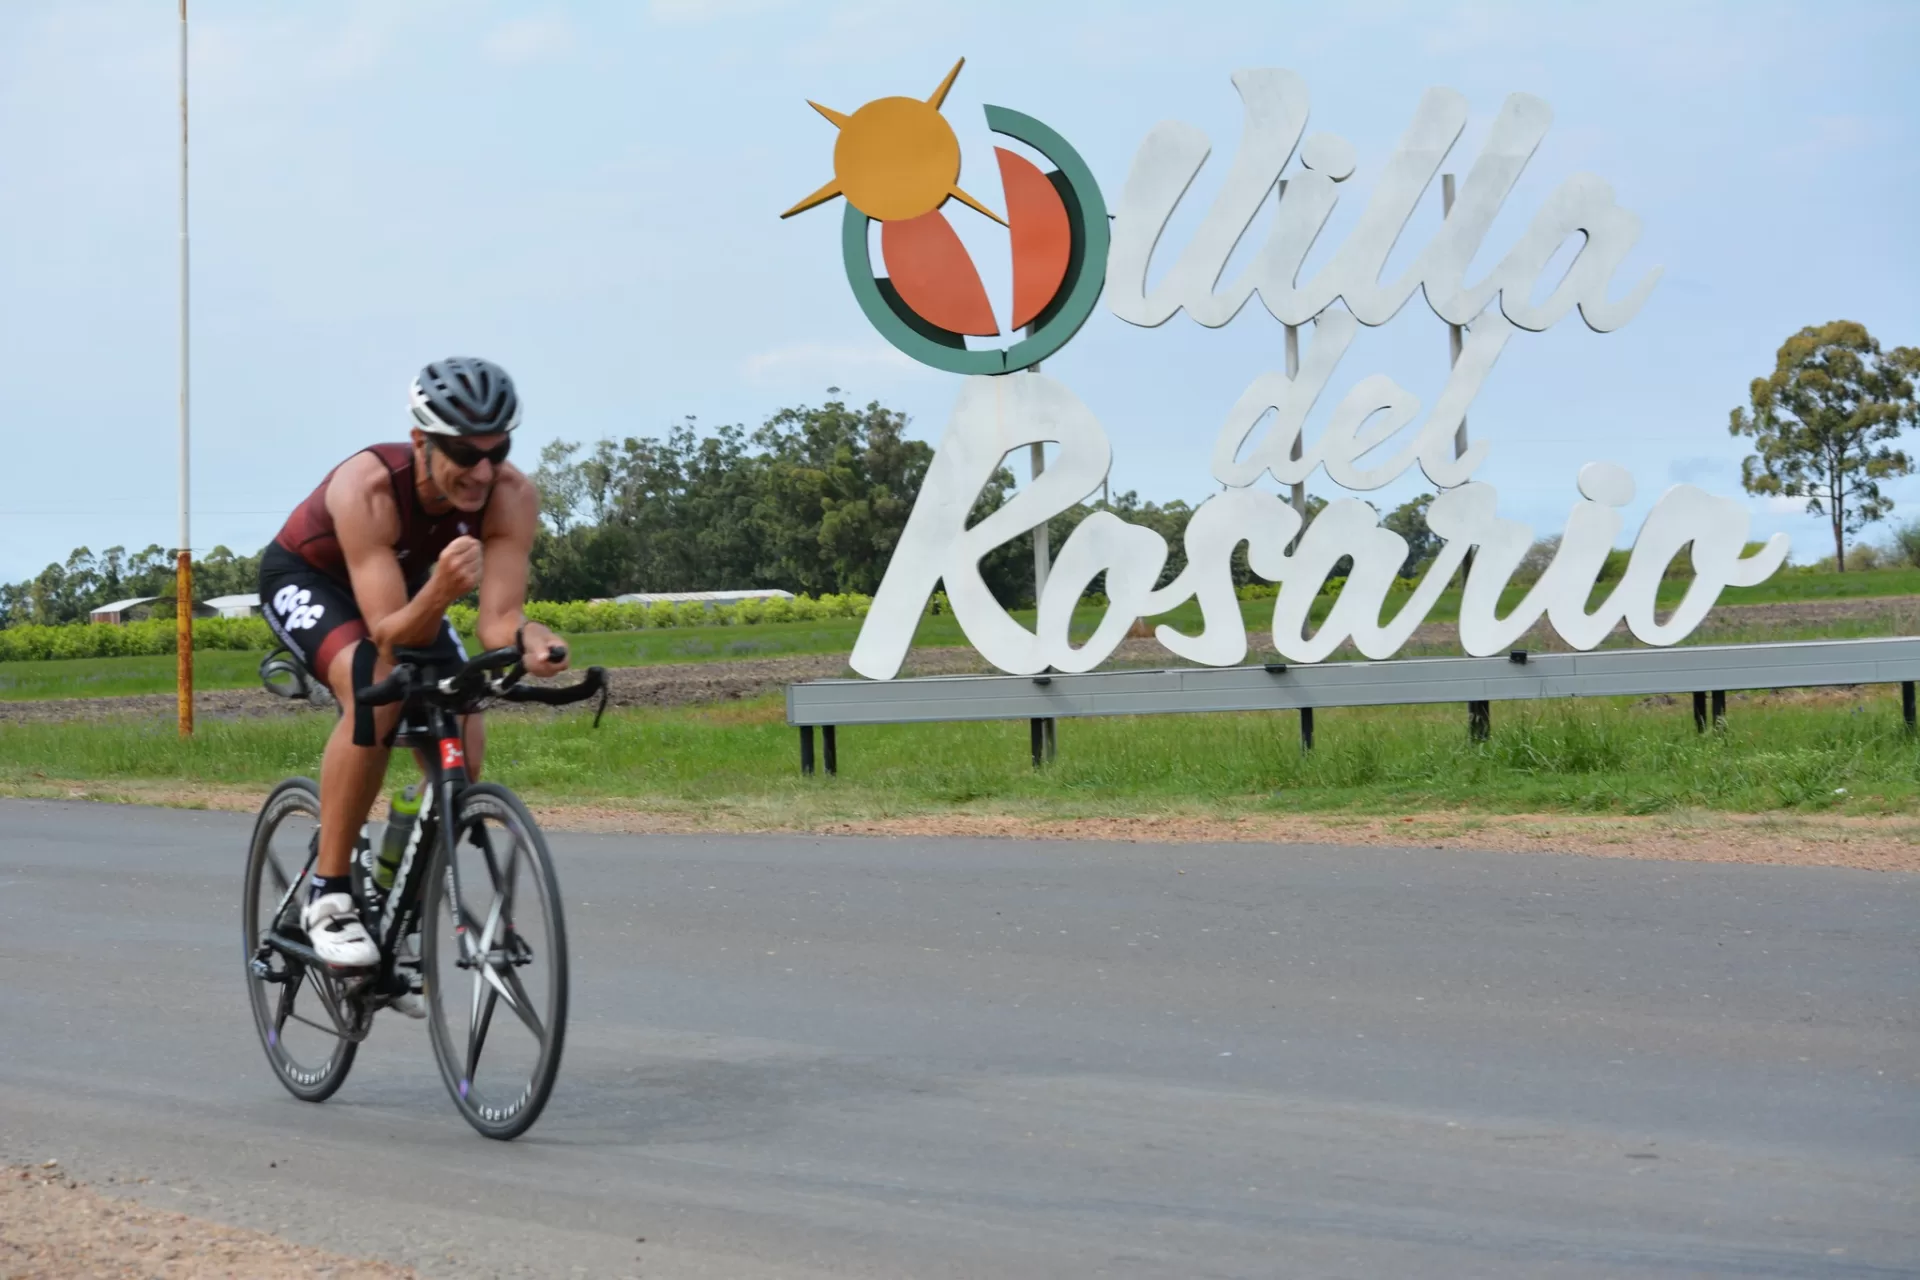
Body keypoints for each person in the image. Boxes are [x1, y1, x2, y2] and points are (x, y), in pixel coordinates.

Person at [258, 357, 570, 988]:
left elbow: (498, 618)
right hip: (313, 581)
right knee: (375, 693)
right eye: (463, 452)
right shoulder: (368, 486)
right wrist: (442, 589)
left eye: (497, 450)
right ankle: (330, 890)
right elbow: (387, 633)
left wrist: (531, 639)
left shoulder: (511, 496)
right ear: (423, 442)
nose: (483, 471)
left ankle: (397, 880)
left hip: (406, 592)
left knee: (465, 737)